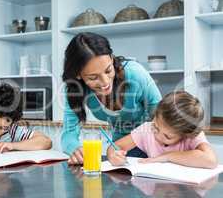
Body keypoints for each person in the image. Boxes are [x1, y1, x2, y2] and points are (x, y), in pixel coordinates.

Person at [61, 32, 162, 165]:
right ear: (78, 75)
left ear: (111, 58)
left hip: (155, 145)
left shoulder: (135, 74)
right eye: (93, 77)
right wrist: (75, 149)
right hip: (120, 148)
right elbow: (68, 133)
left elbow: (162, 119)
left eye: (108, 70)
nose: (105, 82)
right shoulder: (75, 89)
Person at [107, 91, 218, 169]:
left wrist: (167, 157)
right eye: (156, 127)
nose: (158, 136)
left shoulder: (192, 135)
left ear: (185, 135)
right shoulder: (147, 129)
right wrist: (113, 155)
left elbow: (211, 160)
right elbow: (115, 146)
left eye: (167, 136)